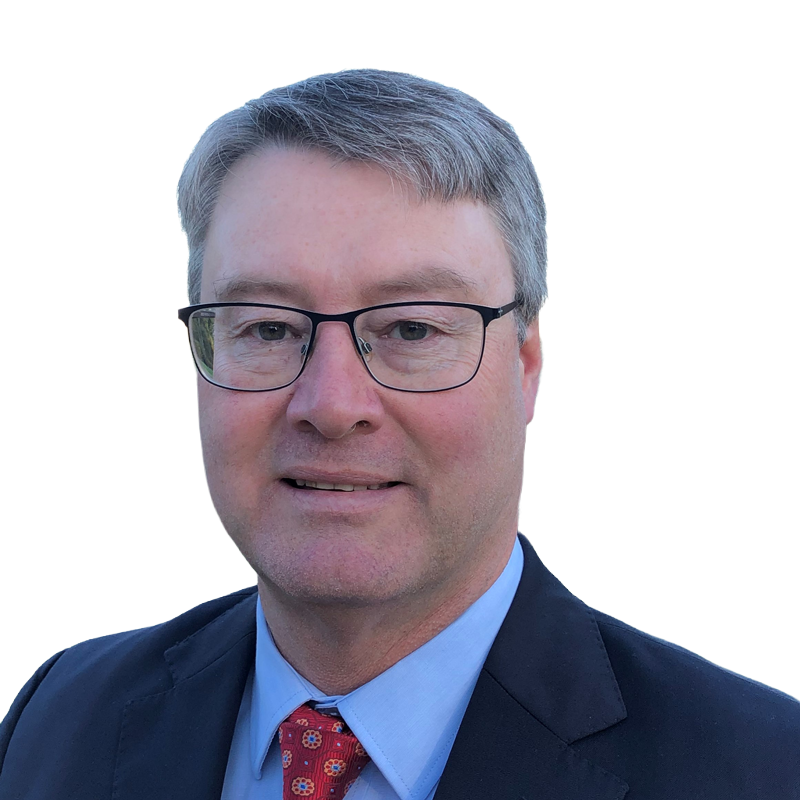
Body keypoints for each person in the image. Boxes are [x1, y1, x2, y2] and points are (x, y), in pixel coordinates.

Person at [1, 68, 797, 800]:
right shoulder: (59, 718)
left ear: (527, 367)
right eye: (268, 328)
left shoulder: (762, 770)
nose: (330, 404)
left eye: (412, 329)